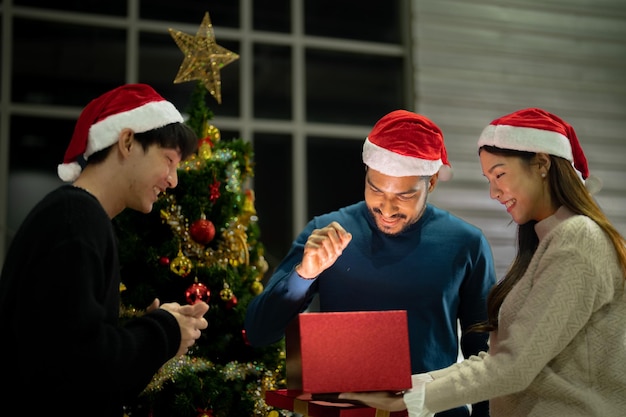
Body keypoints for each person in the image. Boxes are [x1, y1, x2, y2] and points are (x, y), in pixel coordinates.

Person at [339, 108, 626, 417]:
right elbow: (498, 359)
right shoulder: (550, 242)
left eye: (500, 175)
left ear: (542, 163)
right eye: (489, 179)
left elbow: (513, 365)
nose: (493, 193)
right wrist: (407, 388)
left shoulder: (578, 239)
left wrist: (407, 399)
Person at [244, 110, 496, 417]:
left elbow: (484, 355)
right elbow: (259, 331)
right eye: (376, 189)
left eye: (404, 195)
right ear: (365, 171)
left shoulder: (466, 243)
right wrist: (303, 275)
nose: (387, 208)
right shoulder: (326, 232)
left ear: (431, 183)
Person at [0, 83, 210, 416]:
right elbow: (80, 365)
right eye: (169, 160)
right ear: (127, 141)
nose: (173, 180)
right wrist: (165, 330)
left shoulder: (78, 216)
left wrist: (152, 334)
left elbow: (83, 362)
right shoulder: (76, 220)